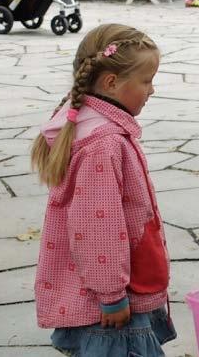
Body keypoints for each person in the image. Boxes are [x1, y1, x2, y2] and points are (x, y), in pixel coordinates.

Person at [32, 24, 175, 357]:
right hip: (111, 305)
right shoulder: (104, 144)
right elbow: (97, 228)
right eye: (147, 80)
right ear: (112, 82)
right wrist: (111, 295)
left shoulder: (91, 124)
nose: (152, 90)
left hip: (118, 287)